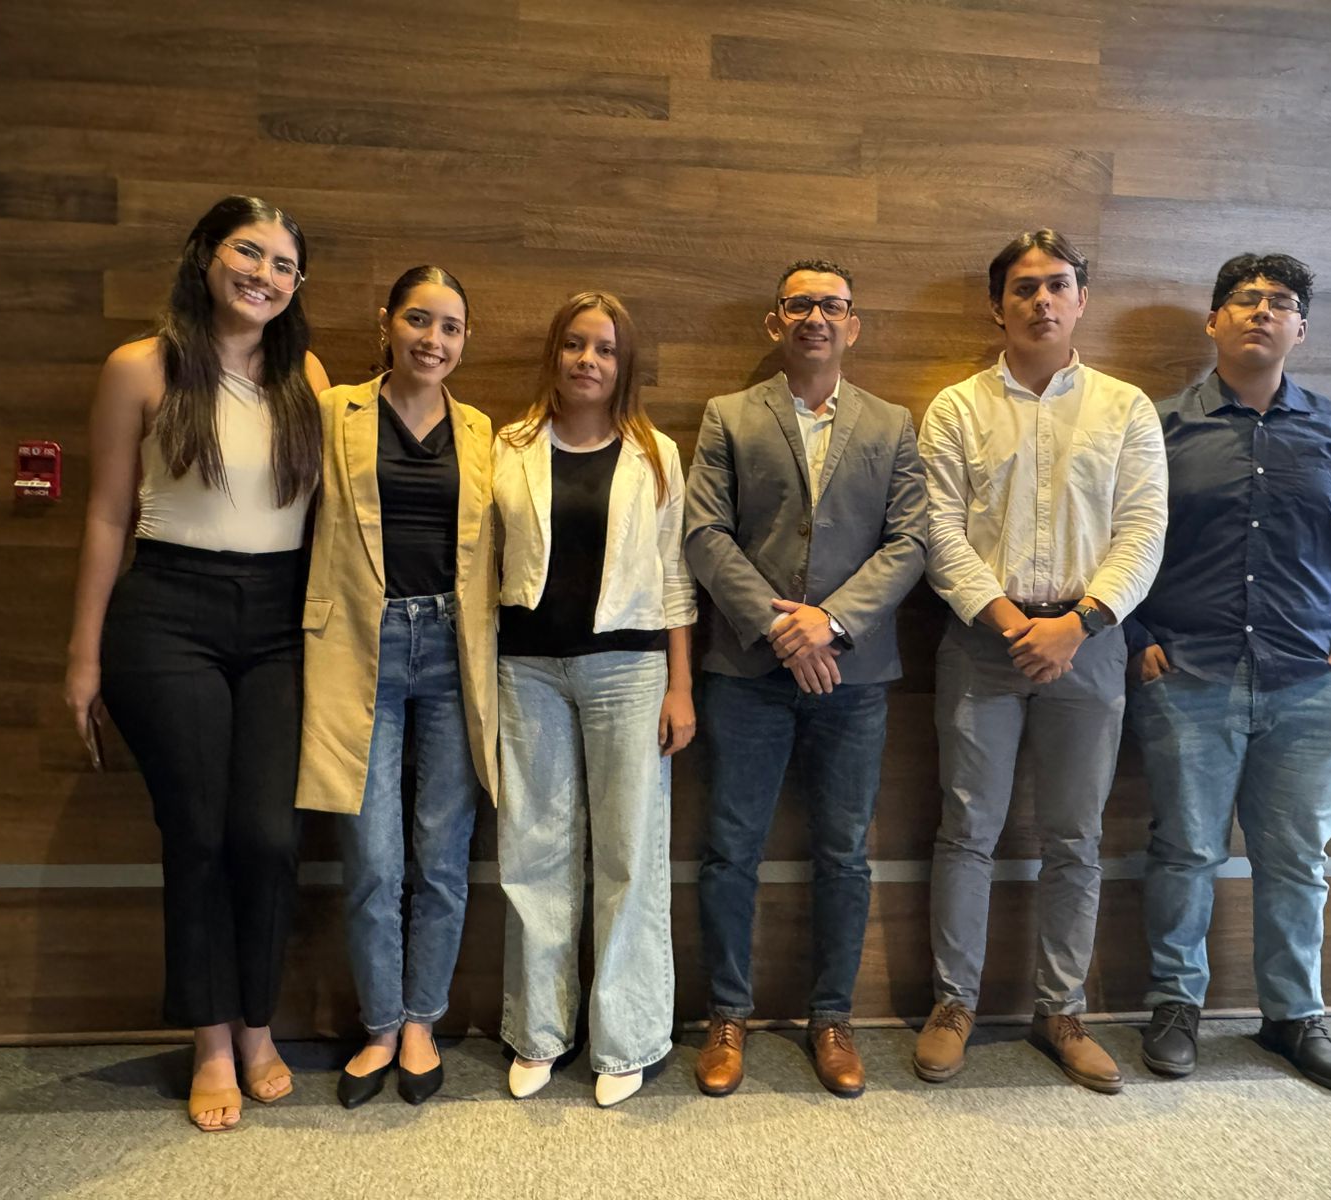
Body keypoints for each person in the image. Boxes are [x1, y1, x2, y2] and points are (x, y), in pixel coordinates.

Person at [63, 196, 327, 1131]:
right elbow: (104, 514)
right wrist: (83, 655)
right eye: (247, 252)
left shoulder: (307, 375)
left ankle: (261, 1024)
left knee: (267, 834)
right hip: (166, 614)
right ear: (207, 257)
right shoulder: (142, 365)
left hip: (280, 619)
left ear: (297, 285)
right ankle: (215, 1041)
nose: (264, 274)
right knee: (201, 835)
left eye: (283, 264)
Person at [1127, 254, 1331, 1095]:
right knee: (1185, 852)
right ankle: (1175, 1006)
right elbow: (1118, 540)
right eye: (1243, 300)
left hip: (1311, 682)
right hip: (1189, 674)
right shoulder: (1160, 430)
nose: (1261, 313)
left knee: (1297, 859)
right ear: (1214, 322)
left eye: (1280, 304)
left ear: (1301, 330)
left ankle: (1293, 1017)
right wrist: (1136, 632)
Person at [913, 230, 1167, 1093]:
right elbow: (938, 528)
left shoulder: (1126, 408)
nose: (1042, 302)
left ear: (1082, 300)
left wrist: (1079, 623)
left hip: (1089, 646)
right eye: (1024, 288)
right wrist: (1008, 616)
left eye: (1059, 286)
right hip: (983, 642)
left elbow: (1142, 529)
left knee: (1076, 838)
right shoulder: (954, 408)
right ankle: (955, 1004)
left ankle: (1062, 1010)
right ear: (998, 306)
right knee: (967, 830)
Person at [684, 259, 927, 1098]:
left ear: (853, 324)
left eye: (832, 306)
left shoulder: (894, 425)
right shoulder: (727, 417)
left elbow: (910, 543)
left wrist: (831, 622)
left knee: (844, 855)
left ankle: (832, 1017)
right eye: (799, 304)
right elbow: (705, 534)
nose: (815, 317)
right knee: (729, 851)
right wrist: (786, 630)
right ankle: (727, 1016)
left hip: (854, 679)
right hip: (746, 671)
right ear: (774, 323)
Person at [296, 266, 497, 1108]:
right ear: (387, 323)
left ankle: (422, 1018)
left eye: (450, 327)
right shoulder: (334, 408)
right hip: (358, 646)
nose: (433, 340)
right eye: (419, 320)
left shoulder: (485, 431)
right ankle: (380, 1026)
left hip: (454, 649)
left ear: (464, 341)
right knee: (373, 857)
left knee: (442, 856)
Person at [493, 291, 696, 1108]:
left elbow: (677, 576)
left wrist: (681, 683)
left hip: (629, 672)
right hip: (527, 669)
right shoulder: (507, 446)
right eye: (575, 344)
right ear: (555, 352)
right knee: (533, 852)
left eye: (605, 349)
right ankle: (540, 1032)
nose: (588, 361)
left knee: (629, 856)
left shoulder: (655, 453)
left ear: (625, 364)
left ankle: (627, 1039)